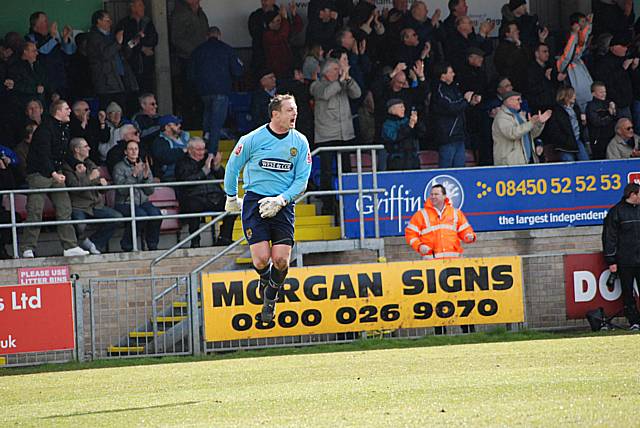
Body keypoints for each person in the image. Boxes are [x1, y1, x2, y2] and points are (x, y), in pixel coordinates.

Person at [224, 94, 312, 324]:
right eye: (289, 110)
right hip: (255, 202)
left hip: (282, 205)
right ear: (275, 114)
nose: (295, 114)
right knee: (262, 259)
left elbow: (302, 180)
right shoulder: (253, 138)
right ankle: (267, 282)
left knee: (281, 261)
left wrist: (282, 200)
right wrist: (232, 196)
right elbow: (233, 167)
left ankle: (270, 297)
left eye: (295, 110)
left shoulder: (300, 142)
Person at [20, 99, 89, 258]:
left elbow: (62, 153)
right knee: (35, 211)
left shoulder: (64, 129)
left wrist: (75, 164)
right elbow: (44, 155)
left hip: (55, 174)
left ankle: (70, 246)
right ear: (58, 111)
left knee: (64, 208)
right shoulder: (44, 130)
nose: (69, 111)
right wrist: (54, 174)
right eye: (67, 109)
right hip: (39, 175)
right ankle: (27, 248)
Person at [310, 58, 361, 214]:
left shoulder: (343, 83)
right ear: (326, 72)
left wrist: (348, 79)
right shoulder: (316, 85)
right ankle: (328, 206)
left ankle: (350, 203)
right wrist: (340, 80)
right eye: (335, 69)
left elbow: (357, 94)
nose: (338, 72)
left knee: (346, 170)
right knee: (326, 172)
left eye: (339, 69)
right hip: (326, 137)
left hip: (344, 135)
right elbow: (326, 94)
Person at [62, 137, 122, 254]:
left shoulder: (90, 164)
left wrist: (102, 185)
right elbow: (74, 187)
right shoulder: (67, 167)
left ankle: (94, 243)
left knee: (116, 217)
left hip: (95, 205)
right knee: (79, 226)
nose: (89, 148)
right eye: (85, 146)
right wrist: (90, 178)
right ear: (77, 150)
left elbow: (98, 186)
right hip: (78, 206)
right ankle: (80, 244)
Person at [189, 26, 244, 155]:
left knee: (207, 119)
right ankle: (211, 153)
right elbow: (238, 71)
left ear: (206, 36)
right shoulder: (227, 49)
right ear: (219, 35)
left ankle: (205, 145)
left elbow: (190, 74)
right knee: (216, 123)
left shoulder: (198, 50)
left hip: (203, 91)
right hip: (221, 90)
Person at [175, 137, 236, 248]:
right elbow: (185, 182)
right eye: (198, 149)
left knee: (233, 204)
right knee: (193, 206)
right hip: (194, 196)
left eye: (203, 149)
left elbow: (223, 177)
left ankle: (224, 238)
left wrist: (217, 167)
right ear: (190, 150)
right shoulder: (182, 162)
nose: (202, 152)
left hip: (214, 196)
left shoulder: (208, 160)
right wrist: (204, 172)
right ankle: (195, 242)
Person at [602, 182, 640, 331]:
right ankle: (634, 322)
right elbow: (609, 238)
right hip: (625, 260)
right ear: (632, 195)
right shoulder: (616, 212)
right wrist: (611, 260)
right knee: (627, 293)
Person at [86, 10, 139, 113]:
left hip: (119, 78)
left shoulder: (111, 35)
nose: (110, 22)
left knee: (123, 110)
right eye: (107, 20)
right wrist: (117, 42)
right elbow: (105, 54)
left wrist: (130, 45)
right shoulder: (94, 37)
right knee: (110, 113)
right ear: (99, 21)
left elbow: (123, 54)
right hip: (106, 83)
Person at [113, 139, 161, 251]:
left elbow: (150, 191)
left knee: (156, 214)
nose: (134, 151)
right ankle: (127, 244)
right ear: (125, 152)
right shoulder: (119, 167)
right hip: (124, 202)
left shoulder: (144, 166)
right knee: (139, 216)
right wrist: (134, 175)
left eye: (136, 149)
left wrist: (145, 177)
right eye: (130, 149)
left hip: (143, 202)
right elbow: (122, 191)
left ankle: (152, 246)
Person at [431, 62, 481, 168]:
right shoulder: (439, 90)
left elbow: (460, 105)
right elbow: (451, 107)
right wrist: (466, 100)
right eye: (451, 72)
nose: (453, 74)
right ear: (443, 75)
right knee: (446, 171)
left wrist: (471, 102)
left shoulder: (454, 88)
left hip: (459, 135)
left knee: (460, 170)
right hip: (447, 137)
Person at [492, 91, 550, 165]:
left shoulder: (520, 115)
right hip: (510, 164)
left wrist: (539, 123)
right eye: (518, 99)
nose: (521, 101)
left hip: (525, 161)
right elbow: (513, 134)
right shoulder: (502, 117)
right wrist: (531, 123)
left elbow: (531, 135)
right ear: (509, 101)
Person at [114, 0, 158, 94]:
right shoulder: (124, 23)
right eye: (139, 5)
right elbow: (125, 44)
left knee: (147, 92)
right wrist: (141, 48)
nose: (143, 8)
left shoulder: (147, 22)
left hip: (147, 65)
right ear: (132, 7)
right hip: (130, 65)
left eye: (142, 5)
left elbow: (154, 39)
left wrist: (139, 41)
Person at [556, 13, 593, 112]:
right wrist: (574, 34)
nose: (583, 25)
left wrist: (588, 25)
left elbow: (581, 44)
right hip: (576, 102)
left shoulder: (577, 58)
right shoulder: (563, 62)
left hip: (586, 99)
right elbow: (568, 54)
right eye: (582, 22)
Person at [544, 86, 590, 161]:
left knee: (585, 161)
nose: (575, 96)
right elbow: (554, 130)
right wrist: (565, 140)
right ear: (567, 96)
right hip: (564, 145)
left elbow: (579, 127)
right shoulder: (557, 111)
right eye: (573, 94)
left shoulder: (576, 108)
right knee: (569, 163)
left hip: (577, 140)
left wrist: (583, 123)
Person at [381, 98, 419, 170]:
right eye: (401, 107)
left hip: (412, 159)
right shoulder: (387, 124)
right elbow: (394, 137)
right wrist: (409, 126)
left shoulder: (407, 120)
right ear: (392, 109)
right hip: (397, 160)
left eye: (404, 107)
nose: (403, 109)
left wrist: (417, 123)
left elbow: (420, 134)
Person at [150, 114, 189, 180]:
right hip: (171, 178)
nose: (180, 125)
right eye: (176, 124)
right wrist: (183, 151)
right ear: (167, 127)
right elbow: (164, 156)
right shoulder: (159, 141)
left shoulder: (185, 136)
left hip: (190, 174)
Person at [586, 82, 617, 159]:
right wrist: (609, 114)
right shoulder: (591, 106)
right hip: (598, 140)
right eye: (601, 92)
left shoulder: (608, 103)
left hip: (611, 138)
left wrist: (614, 110)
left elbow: (616, 119)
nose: (604, 94)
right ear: (593, 93)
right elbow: (597, 122)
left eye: (605, 92)